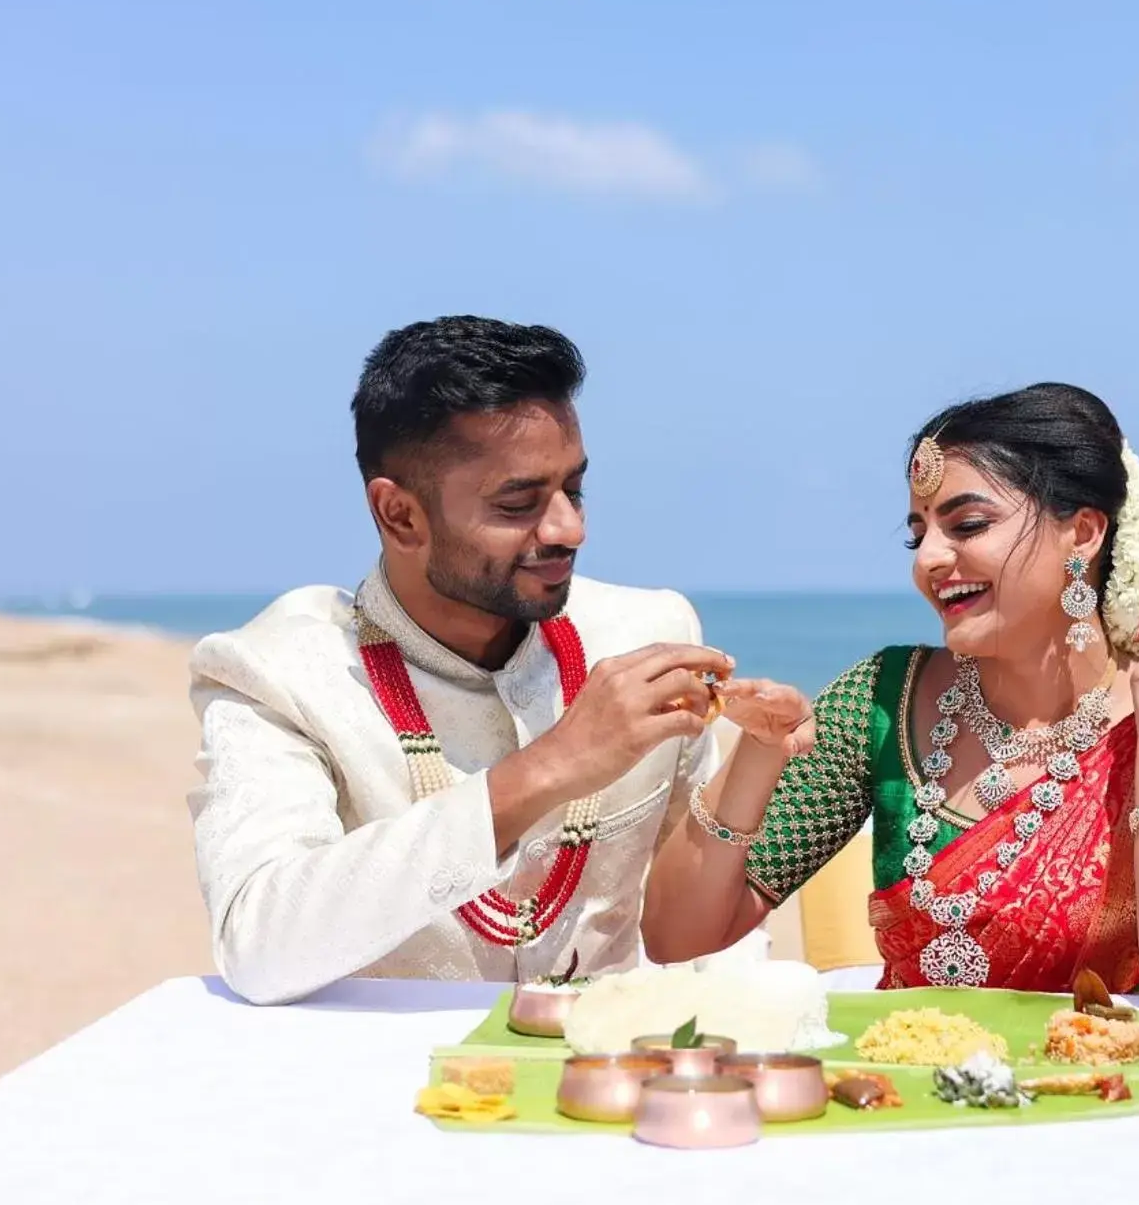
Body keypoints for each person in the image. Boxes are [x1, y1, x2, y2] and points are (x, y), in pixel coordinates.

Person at [186, 316, 803, 1004]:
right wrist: (548, 768)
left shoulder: (646, 632)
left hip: (611, 1082)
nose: (571, 527)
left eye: (575, 487)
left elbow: (688, 927)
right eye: (520, 502)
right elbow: (258, 943)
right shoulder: (281, 673)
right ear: (400, 516)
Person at [642, 383, 1139, 1014]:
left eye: (968, 524)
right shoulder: (883, 702)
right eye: (917, 532)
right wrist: (758, 751)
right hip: (911, 1105)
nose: (929, 558)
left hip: (1114, 1104)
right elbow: (678, 938)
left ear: (1084, 533)